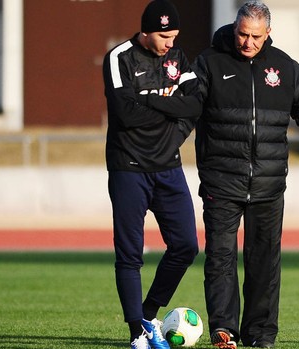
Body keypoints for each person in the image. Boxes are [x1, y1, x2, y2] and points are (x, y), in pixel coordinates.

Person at [191, 1, 299, 348]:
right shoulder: (209, 63)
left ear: (268, 33)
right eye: (243, 34)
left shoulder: (285, 68)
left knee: (264, 263)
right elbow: (184, 112)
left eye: (256, 36)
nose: (248, 43)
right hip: (221, 181)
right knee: (220, 258)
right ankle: (223, 330)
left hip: (269, 185)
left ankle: (260, 335)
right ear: (235, 28)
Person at [102, 1, 202, 348]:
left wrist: (152, 104)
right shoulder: (119, 58)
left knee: (187, 246)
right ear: (145, 31)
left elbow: (195, 104)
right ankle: (137, 334)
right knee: (130, 255)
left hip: (169, 168)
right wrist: (169, 107)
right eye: (163, 36)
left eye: (173, 36)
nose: (168, 43)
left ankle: (148, 312)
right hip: (128, 168)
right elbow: (124, 114)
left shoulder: (177, 58)